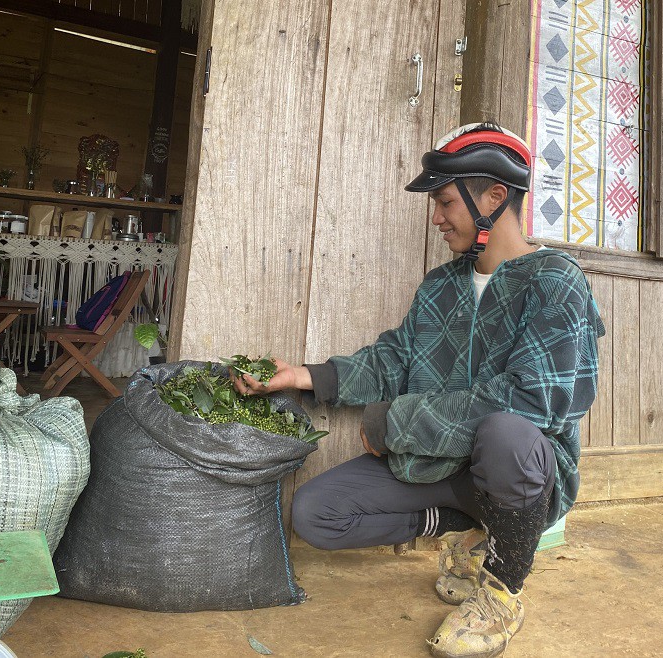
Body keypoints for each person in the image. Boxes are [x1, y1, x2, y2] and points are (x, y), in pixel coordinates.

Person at [233, 122, 606, 658]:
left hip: (517, 469)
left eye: (446, 202)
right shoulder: (441, 285)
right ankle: (464, 530)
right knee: (316, 514)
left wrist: (394, 422)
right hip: (439, 466)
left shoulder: (555, 281)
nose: (436, 218)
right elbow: (396, 358)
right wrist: (304, 376)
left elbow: (532, 401)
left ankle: (502, 589)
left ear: (495, 197)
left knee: (507, 433)